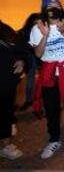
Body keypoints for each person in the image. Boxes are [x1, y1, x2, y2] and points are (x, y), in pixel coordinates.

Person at [30, 0, 64, 159]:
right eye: (50, 6)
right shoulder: (38, 28)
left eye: (57, 6)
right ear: (45, 10)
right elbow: (38, 54)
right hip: (49, 72)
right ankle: (54, 139)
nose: (53, 9)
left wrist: (63, 30)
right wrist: (45, 35)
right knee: (52, 108)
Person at [0, 20, 25, 160]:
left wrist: (21, 60)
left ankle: (6, 145)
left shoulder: (5, 29)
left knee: (5, 113)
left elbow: (20, 49)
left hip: (6, 82)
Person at [17, 13, 41, 111]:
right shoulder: (29, 31)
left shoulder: (23, 31)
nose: (38, 23)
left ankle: (30, 101)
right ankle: (32, 101)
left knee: (32, 80)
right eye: (36, 21)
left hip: (32, 57)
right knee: (33, 80)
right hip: (32, 57)